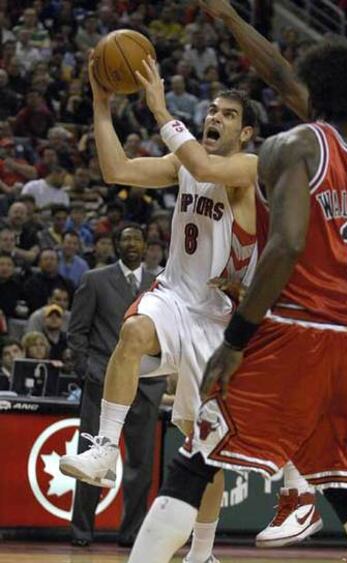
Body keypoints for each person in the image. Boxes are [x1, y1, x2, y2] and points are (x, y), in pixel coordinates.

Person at [129, 39, 347, 563]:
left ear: (313, 91)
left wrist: (237, 339)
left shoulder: (294, 147)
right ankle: (317, 511)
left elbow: (286, 246)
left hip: (293, 331)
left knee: (196, 458)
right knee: (346, 484)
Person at [59, 50, 266, 563]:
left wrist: (157, 106)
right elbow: (117, 169)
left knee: (203, 446)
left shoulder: (246, 166)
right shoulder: (187, 162)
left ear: (246, 133)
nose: (214, 117)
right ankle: (104, 450)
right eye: (213, 110)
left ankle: (202, 552)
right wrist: (102, 105)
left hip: (219, 317)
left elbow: (201, 162)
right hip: (174, 295)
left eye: (228, 114)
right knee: (131, 336)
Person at [60, 224, 166, 547]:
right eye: (126, 238)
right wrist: (87, 370)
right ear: (116, 245)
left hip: (146, 386)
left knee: (141, 465)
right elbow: (76, 332)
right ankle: (81, 532)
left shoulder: (160, 285)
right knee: (91, 460)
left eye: (137, 239)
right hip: (101, 381)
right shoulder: (94, 279)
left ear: (147, 246)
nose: (132, 243)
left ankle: (130, 533)